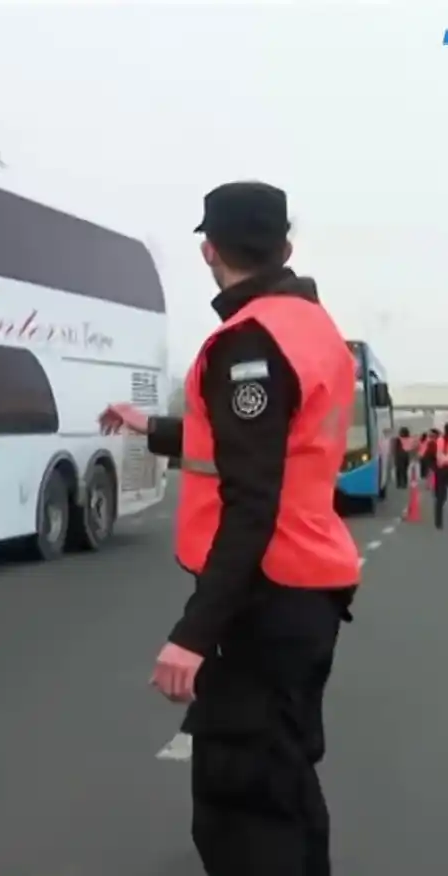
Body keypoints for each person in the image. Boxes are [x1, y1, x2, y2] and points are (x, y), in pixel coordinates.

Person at [99, 181, 358, 876]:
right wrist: (152, 427)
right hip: (311, 586)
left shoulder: (250, 341)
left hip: (268, 596)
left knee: (240, 803)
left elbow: (252, 496)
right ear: (285, 247)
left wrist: (193, 633)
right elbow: (258, 444)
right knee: (285, 782)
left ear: (209, 250)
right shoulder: (313, 327)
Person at [434, 429, 448, 530]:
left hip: (444, 468)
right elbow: (439, 456)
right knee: (441, 497)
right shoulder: (440, 440)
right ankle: (438, 522)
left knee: (441, 496)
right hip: (442, 470)